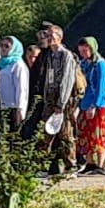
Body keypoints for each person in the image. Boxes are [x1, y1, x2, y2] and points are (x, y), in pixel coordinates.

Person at [37, 25, 80, 179]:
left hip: (63, 101)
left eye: (50, 35)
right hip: (50, 99)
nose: (47, 38)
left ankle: (71, 165)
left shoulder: (66, 56)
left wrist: (60, 103)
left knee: (65, 134)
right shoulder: (49, 56)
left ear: (59, 37)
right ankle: (42, 165)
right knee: (45, 132)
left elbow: (67, 81)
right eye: (46, 35)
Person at [76, 37, 105, 175]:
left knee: (99, 133)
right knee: (85, 133)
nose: (83, 54)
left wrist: (94, 105)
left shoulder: (100, 64)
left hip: (99, 104)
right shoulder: (84, 63)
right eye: (81, 51)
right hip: (85, 103)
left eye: (85, 50)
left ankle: (101, 163)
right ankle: (90, 162)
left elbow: (101, 86)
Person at [0, 36, 29, 132]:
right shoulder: (1, 64)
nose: (3, 48)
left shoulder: (18, 64)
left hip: (13, 108)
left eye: (7, 46)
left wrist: (20, 109)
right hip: (1, 106)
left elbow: (22, 88)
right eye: (1, 45)